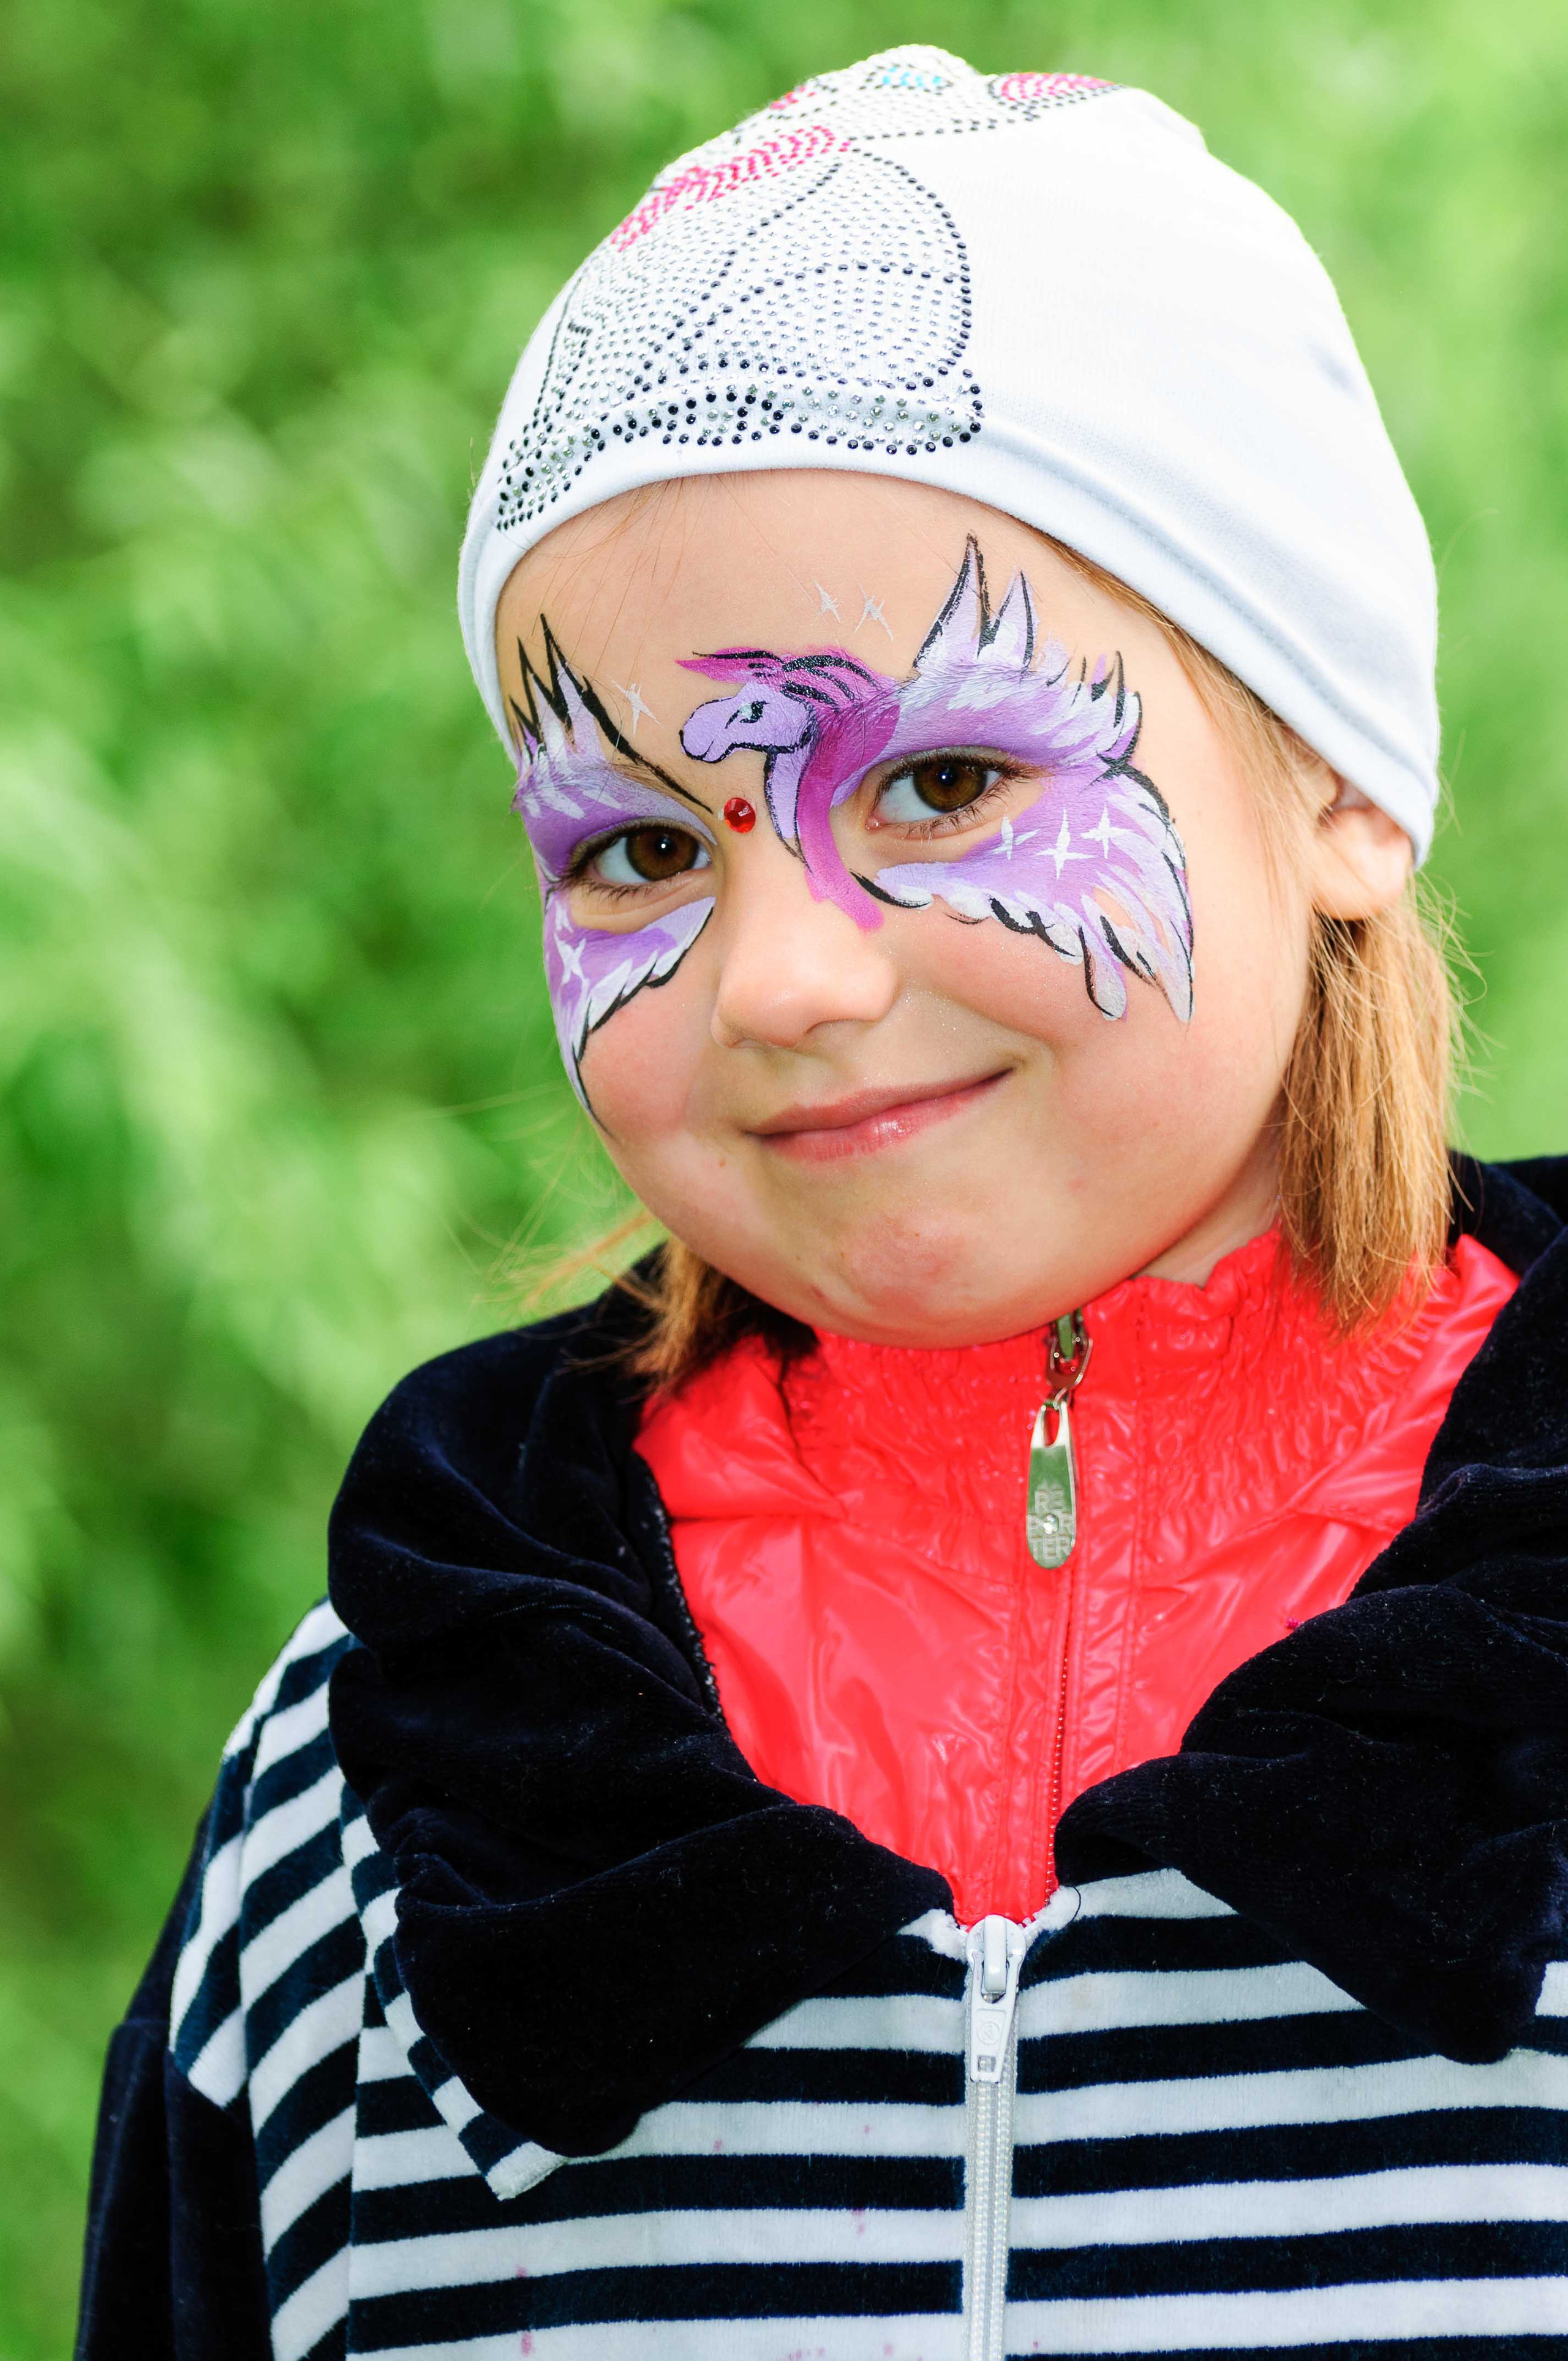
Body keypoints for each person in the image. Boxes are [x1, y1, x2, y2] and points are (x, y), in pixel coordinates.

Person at [77, 47, 1568, 2361]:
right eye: (642, 848)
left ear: (1346, 778)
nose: (779, 975)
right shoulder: (369, 1801)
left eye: (952, 779)